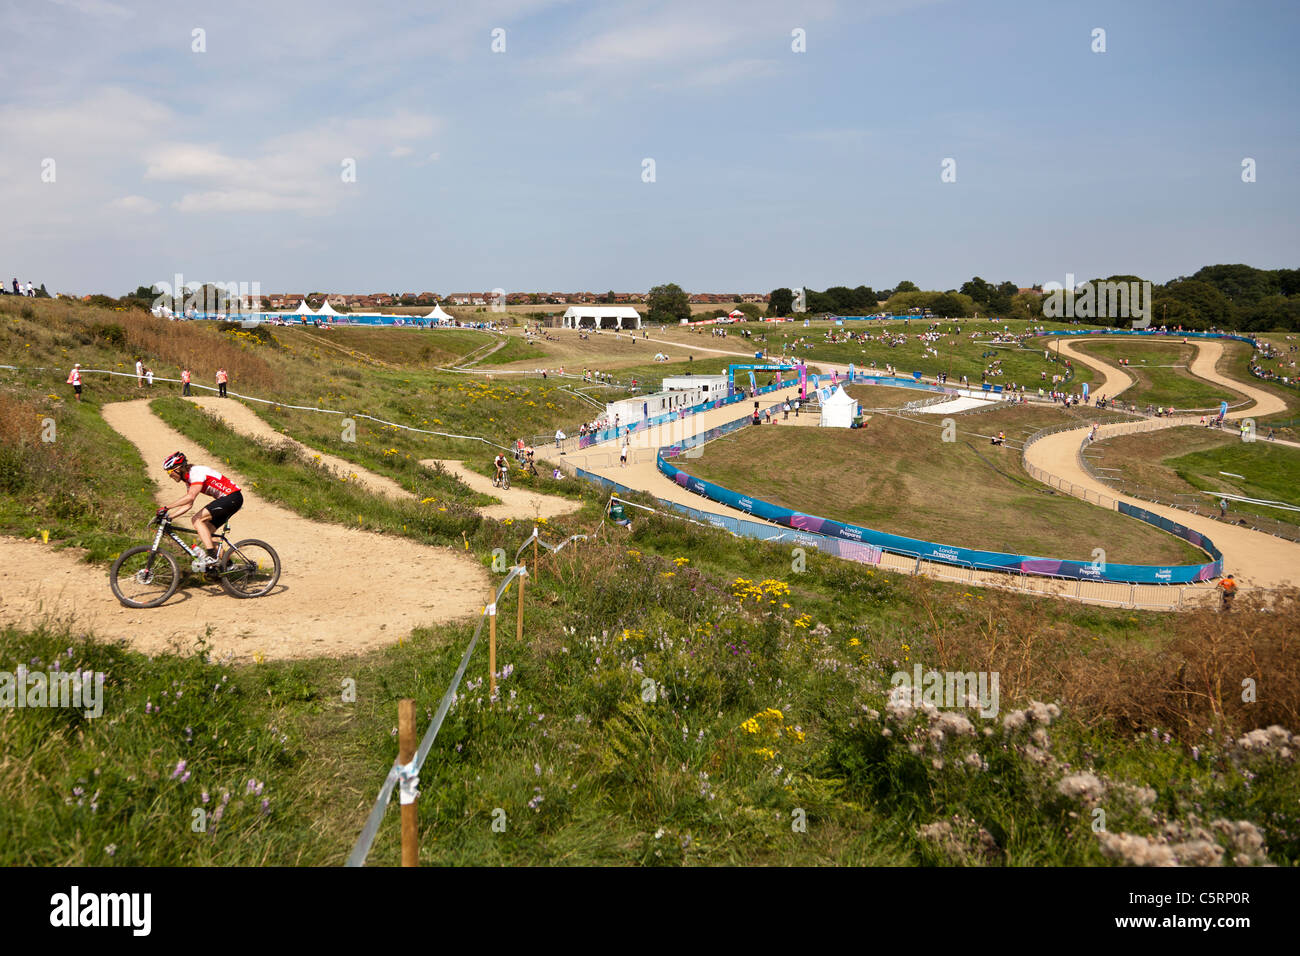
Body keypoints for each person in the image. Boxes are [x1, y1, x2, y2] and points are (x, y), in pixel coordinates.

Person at [160, 452, 243, 571]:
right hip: (229, 500)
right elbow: (188, 504)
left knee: (196, 520)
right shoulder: (188, 479)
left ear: (178, 469)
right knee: (208, 536)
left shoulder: (196, 472)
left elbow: (190, 497)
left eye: (169, 471)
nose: (169, 475)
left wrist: (166, 507)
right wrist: (170, 517)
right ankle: (229, 565)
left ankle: (211, 556)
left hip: (231, 497)